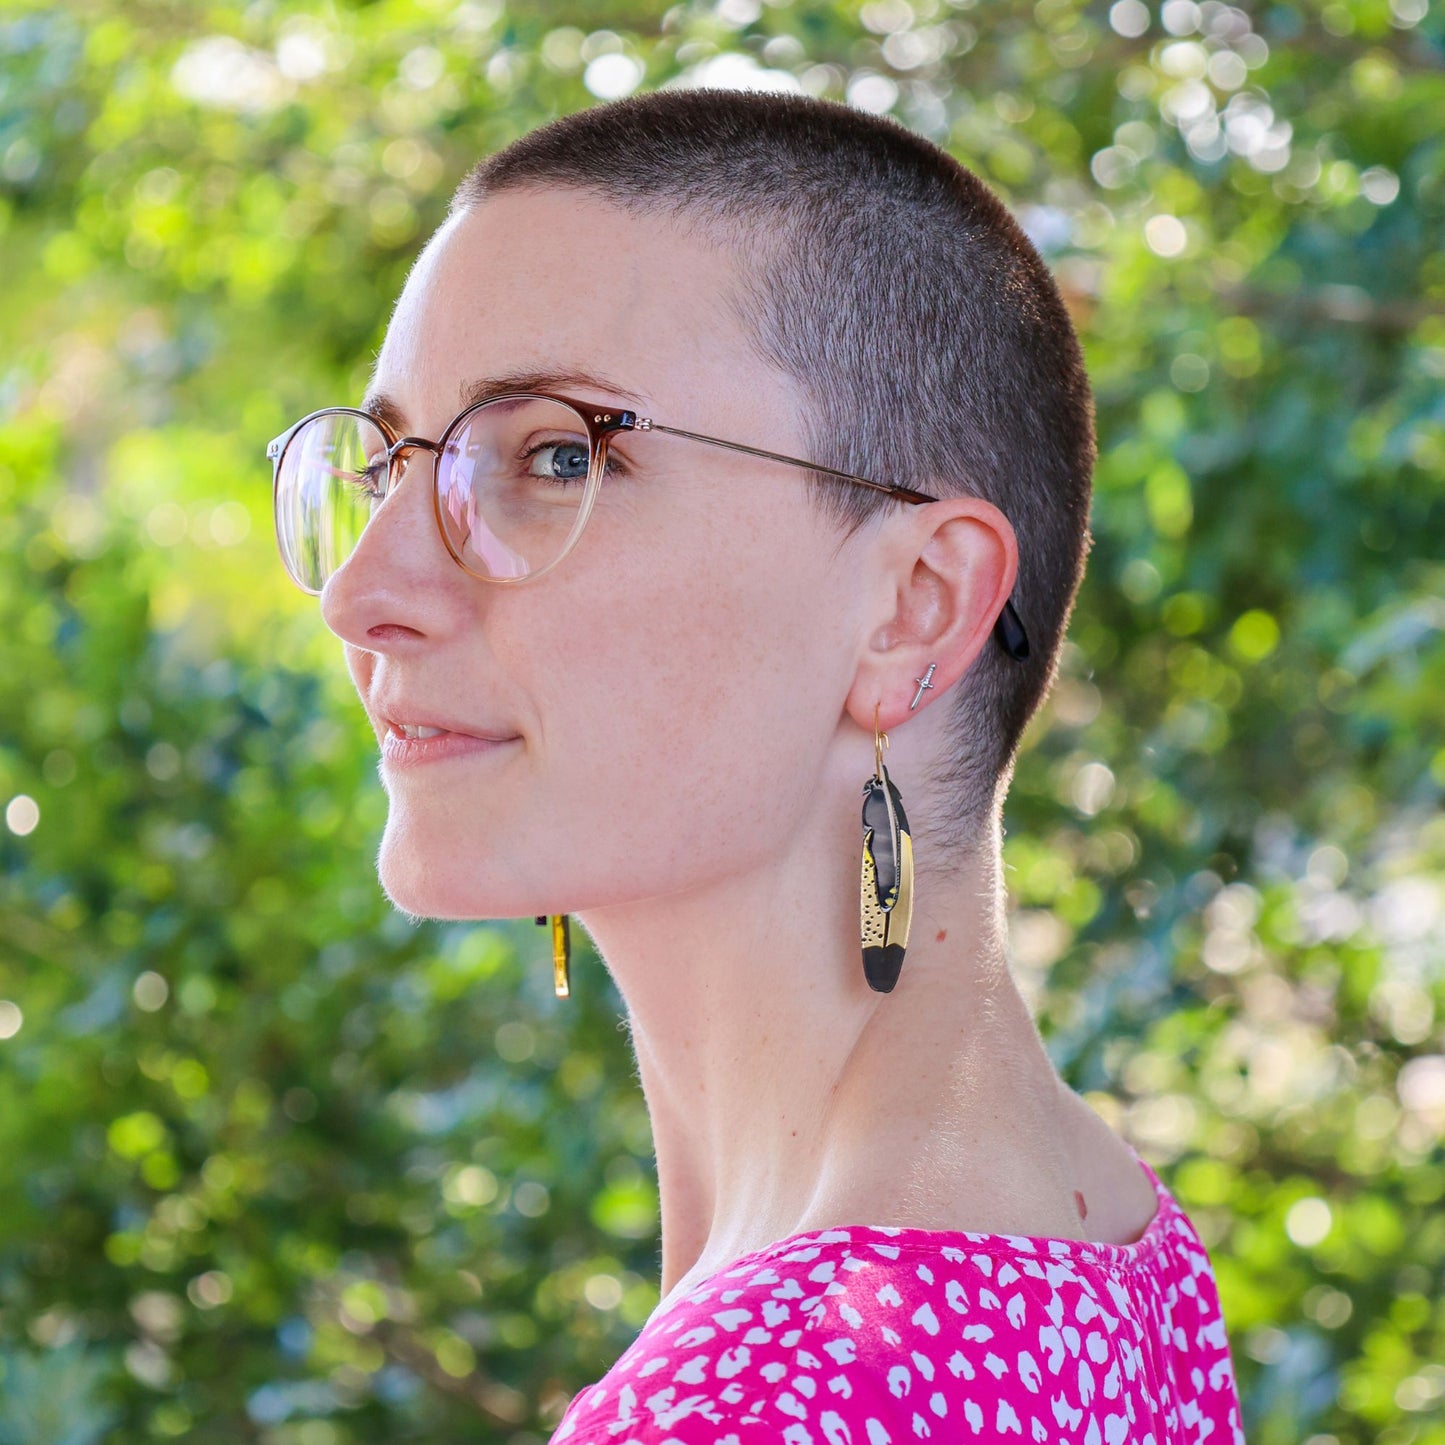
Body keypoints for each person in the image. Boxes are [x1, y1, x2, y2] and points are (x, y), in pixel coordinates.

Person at [267, 89, 1245, 1444]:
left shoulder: (771, 1398)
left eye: (555, 455)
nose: (365, 591)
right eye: (387, 467)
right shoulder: (1100, 1230)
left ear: (912, 601)